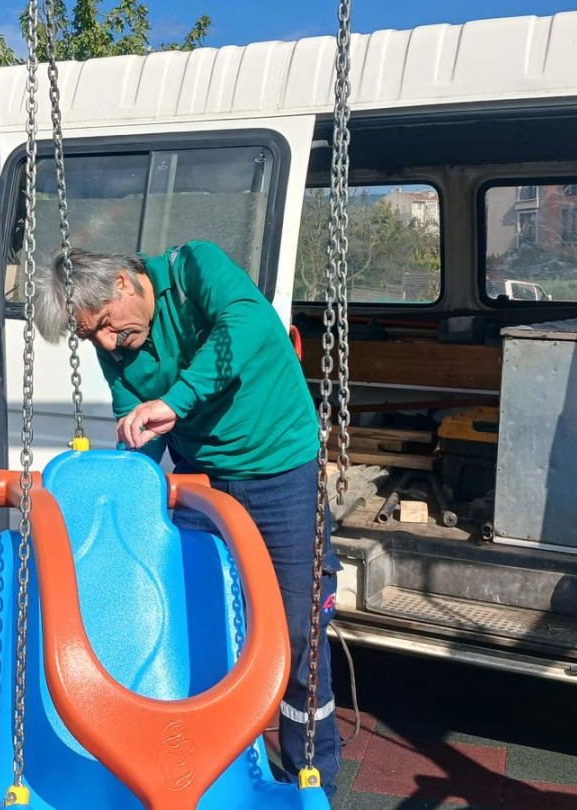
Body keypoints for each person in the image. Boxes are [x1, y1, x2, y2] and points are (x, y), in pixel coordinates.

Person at [29, 240, 343, 797]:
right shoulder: (115, 345)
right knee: (204, 623)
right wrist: (118, 495)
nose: (108, 344)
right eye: (91, 337)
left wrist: (176, 400)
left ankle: (310, 777)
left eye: (109, 326)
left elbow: (247, 324)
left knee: (296, 631)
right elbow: (140, 431)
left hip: (281, 469)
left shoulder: (194, 268)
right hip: (203, 478)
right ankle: (216, 774)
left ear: (125, 283)